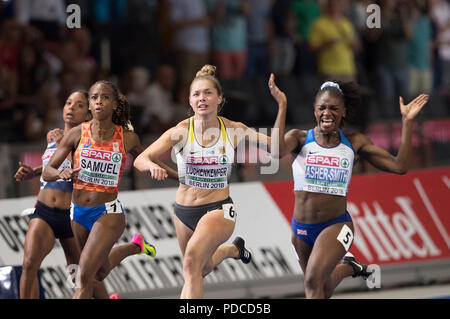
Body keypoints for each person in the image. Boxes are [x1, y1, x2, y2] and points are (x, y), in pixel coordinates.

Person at [269, 76, 429, 299]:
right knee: (321, 289)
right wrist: (282, 105)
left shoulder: (353, 142)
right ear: (314, 110)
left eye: (333, 108)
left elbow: (399, 166)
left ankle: (347, 264)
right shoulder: (299, 138)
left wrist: (407, 122)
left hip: (336, 225)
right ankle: (349, 267)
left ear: (343, 111)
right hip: (301, 229)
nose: (327, 113)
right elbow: (275, 152)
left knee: (312, 281)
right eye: (322, 107)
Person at [134, 64, 284, 299]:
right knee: (199, 269)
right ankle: (232, 250)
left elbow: (276, 148)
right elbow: (141, 159)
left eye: (207, 93)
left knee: (191, 263)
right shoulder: (181, 131)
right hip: (183, 211)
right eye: (196, 94)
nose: (201, 98)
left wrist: (281, 105)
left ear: (219, 98)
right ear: (190, 101)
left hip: (218, 209)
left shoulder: (234, 130)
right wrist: (152, 166)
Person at [42, 82, 162, 299]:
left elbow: (147, 159)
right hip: (77, 212)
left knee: (84, 278)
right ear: (90, 105)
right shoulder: (76, 134)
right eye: (95, 98)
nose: (99, 101)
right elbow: (47, 171)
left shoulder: (127, 137)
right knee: (101, 271)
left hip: (107, 212)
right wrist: (61, 173)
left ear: (114, 104)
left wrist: (174, 175)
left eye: (105, 98)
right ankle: (136, 246)